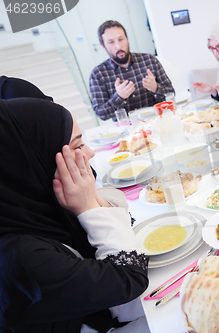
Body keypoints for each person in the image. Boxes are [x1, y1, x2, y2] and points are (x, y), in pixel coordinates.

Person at [0, 98, 149, 332]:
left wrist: (91, 201)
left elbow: (124, 226)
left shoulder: (38, 208)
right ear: (35, 158)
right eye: (77, 146)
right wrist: (88, 207)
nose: (90, 153)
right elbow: (129, 279)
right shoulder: (24, 257)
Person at [89, 20, 174, 121]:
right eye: (111, 42)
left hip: (157, 121)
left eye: (121, 39)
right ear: (104, 47)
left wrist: (156, 88)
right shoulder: (98, 74)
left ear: (127, 40)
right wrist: (119, 97)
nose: (118, 46)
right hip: (126, 130)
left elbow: (171, 95)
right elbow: (101, 114)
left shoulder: (149, 60)